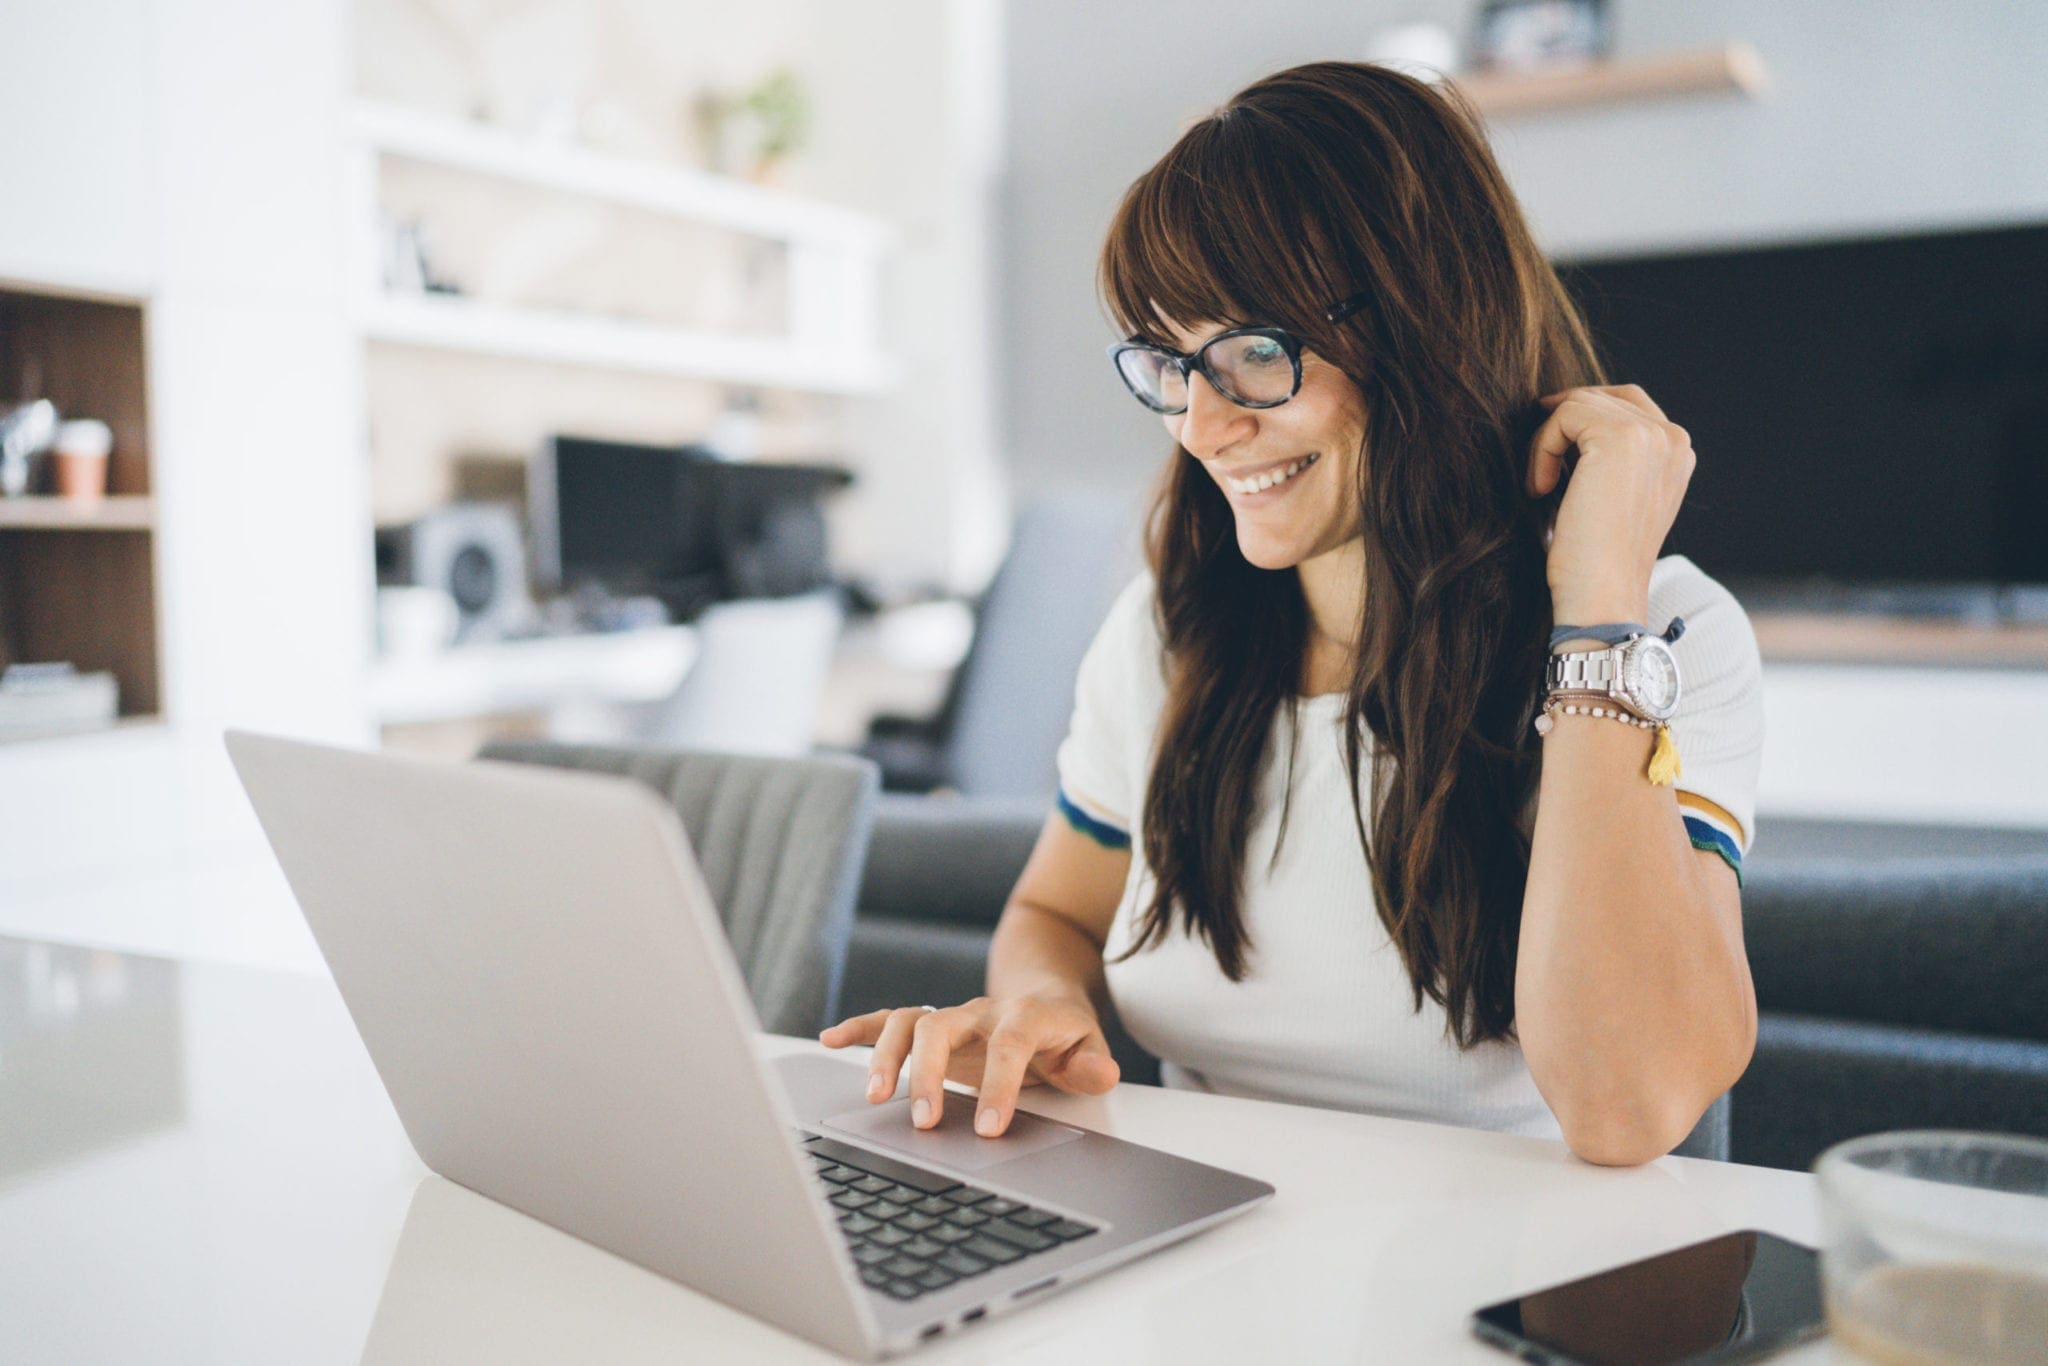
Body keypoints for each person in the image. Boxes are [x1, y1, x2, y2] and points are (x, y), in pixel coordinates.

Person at [823, 59, 1763, 1167]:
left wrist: (1595, 613)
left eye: (1256, 354)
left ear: (1428, 324)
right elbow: (1052, 917)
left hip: (1511, 1284)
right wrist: (1040, 1002)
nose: (1199, 427)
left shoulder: (1659, 637)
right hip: (1192, 1243)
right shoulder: (1165, 637)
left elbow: (1629, 1110)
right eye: (1170, 364)